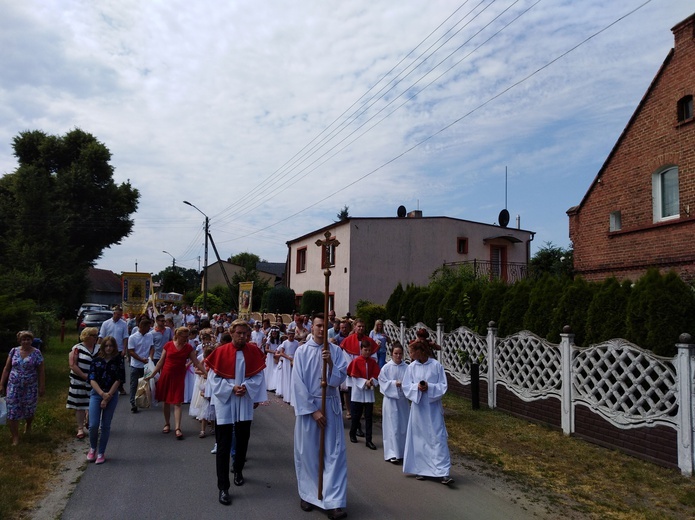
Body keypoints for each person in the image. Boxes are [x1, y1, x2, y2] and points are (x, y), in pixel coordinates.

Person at [204, 319, 267, 506]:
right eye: (238, 333)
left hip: (245, 399)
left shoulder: (253, 351)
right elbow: (213, 378)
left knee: (242, 438)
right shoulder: (220, 352)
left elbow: (258, 375)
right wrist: (231, 388)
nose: (242, 336)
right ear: (231, 333)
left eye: (244, 334)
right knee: (223, 444)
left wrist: (246, 388)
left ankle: (238, 469)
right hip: (226, 401)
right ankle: (223, 487)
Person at [292, 313, 348, 520]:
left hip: (331, 404)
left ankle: (333, 501)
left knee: (333, 454)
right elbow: (297, 383)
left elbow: (341, 378)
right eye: (318, 326)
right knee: (308, 452)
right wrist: (313, 411)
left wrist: (331, 363)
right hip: (310, 408)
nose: (322, 329)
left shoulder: (336, 351)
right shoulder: (302, 352)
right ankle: (308, 493)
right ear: (312, 327)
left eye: (325, 326)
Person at [402, 340, 453, 485]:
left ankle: (442, 471)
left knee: (437, 437)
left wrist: (429, 387)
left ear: (421, 351)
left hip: (433, 408)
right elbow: (407, 386)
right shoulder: (411, 367)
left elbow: (443, 386)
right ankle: (421, 469)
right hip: (418, 408)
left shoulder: (436, 366)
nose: (410, 355)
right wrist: (417, 387)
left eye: (412, 351)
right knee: (419, 438)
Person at [146, 327, 206, 440]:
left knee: (178, 402)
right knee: (166, 401)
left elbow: (196, 362)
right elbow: (160, 362)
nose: (186, 339)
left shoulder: (188, 348)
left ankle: (178, 428)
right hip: (166, 375)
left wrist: (206, 373)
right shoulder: (168, 345)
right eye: (184, 336)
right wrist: (152, 375)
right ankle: (167, 423)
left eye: (187, 336)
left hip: (179, 377)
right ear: (177, 335)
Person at [0, 331, 45, 446]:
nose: (26, 341)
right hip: (13, 386)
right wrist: (1, 384)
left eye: (28, 339)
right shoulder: (14, 351)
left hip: (30, 387)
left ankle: (28, 425)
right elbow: (6, 368)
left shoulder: (37, 353)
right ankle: (15, 437)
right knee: (12, 411)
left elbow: (41, 371)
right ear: (20, 341)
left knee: (29, 410)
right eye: (23, 339)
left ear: (31, 340)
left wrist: (42, 386)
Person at [87, 336, 125, 464]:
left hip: (112, 394)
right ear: (102, 347)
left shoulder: (118, 360)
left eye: (111, 346)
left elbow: (119, 379)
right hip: (97, 393)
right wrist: (102, 394)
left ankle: (101, 452)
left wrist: (108, 395)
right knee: (93, 425)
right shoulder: (96, 360)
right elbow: (91, 379)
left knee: (105, 425)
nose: (109, 348)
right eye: (106, 346)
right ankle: (93, 448)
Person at [378, 342, 409, 463]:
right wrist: (393, 384)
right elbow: (383, 382)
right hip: (390, 401)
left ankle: (402, 452)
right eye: (396, 353)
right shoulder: (386, 367)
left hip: (402, 401)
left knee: (403, 426)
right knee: (392, 426)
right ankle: (392, 453)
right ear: (391, 354)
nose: (398, 356)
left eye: (400, 353)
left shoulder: (407, 367)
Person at [67, 327, 100, 439]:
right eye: (94, 336)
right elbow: (72, 364)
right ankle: (80, 428)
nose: (96, 338)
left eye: (96, 336)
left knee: (93, 403)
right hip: (79, 381)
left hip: (96, 382)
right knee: (80, 405)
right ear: (87, 336)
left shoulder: (99, 348)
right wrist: (85, 376)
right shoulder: (77, 348)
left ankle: (90, 422)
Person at [347, 339, 380, 450]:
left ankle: (369, 440)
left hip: (369, 393)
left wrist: (372, 382)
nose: (367, 352)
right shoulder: (356, 361)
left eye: (369, 350)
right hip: (358, 392)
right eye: (365, 350)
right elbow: (354, 377)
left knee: (368, 417)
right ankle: (352, 432)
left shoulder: (372, 362)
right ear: (361, 350)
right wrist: (364, 382)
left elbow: (377, 376)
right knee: (356, 416)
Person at [128, 317, 154, 413]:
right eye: (148, 327)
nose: (149, 329)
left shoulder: (149, 336)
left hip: (146, 365)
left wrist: (150, 357)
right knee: (134, 384)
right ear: (142, 326)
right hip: (136, 364)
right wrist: (141, 359)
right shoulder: (133, 337)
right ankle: (133, 403)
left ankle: (143, 400)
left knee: (145, 384)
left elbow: (151, 347)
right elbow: (131, 351)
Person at [263, 327, 282, 392]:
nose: (274, 335)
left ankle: (274, 385)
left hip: (276, 357)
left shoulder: (279, 340)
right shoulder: (269, 340)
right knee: (270, 370)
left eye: (275, 334)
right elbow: (266, 349)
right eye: (273, 334)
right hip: (270, 357)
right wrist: (273, 351)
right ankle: (268, 384)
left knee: (276, 370)